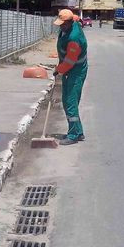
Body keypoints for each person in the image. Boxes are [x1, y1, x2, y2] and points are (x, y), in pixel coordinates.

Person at [53, 9, 88, 145]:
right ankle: (78, 132)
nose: (61, 26)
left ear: (68, 23)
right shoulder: (72, 21)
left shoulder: (74, 38)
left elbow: (69, 61)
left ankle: (73, 135)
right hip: (69, 69)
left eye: (63, 24)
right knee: (66, 100)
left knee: (70, 102)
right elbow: (76, 17)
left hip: (76, 70)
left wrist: (58, 69)